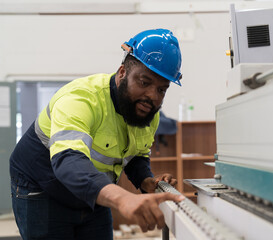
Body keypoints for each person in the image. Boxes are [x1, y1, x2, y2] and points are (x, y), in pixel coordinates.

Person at [9, 28, 185, 240]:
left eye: (161, 90)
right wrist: (122, 198)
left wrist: (146, 180)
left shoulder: (148, 113)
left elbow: (135, 155)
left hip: (92, 187)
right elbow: (69, 161)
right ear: (122, 73)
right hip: (43, 185)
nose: (151, 96)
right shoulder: (81, 98)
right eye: (144, 82)